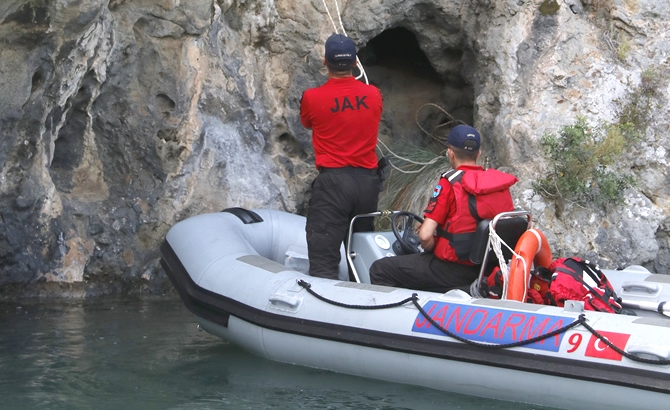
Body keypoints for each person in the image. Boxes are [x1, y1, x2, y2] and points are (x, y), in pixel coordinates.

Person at [369, 124, 518, 293]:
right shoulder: (499, 185)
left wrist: (431, 246)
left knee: (380, 269)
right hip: (488, 267)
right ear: (478, 154)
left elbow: (425, 236)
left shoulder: (450, 183)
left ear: (450, 153)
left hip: (453, 269)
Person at [300, 34, 384, 280]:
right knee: (361, 252)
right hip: (368, 184)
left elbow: (306, 122)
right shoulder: (374, 95)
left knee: (323, 258)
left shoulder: (312, 98)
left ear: (325, 62)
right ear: (356, 63)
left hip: (334, 183)